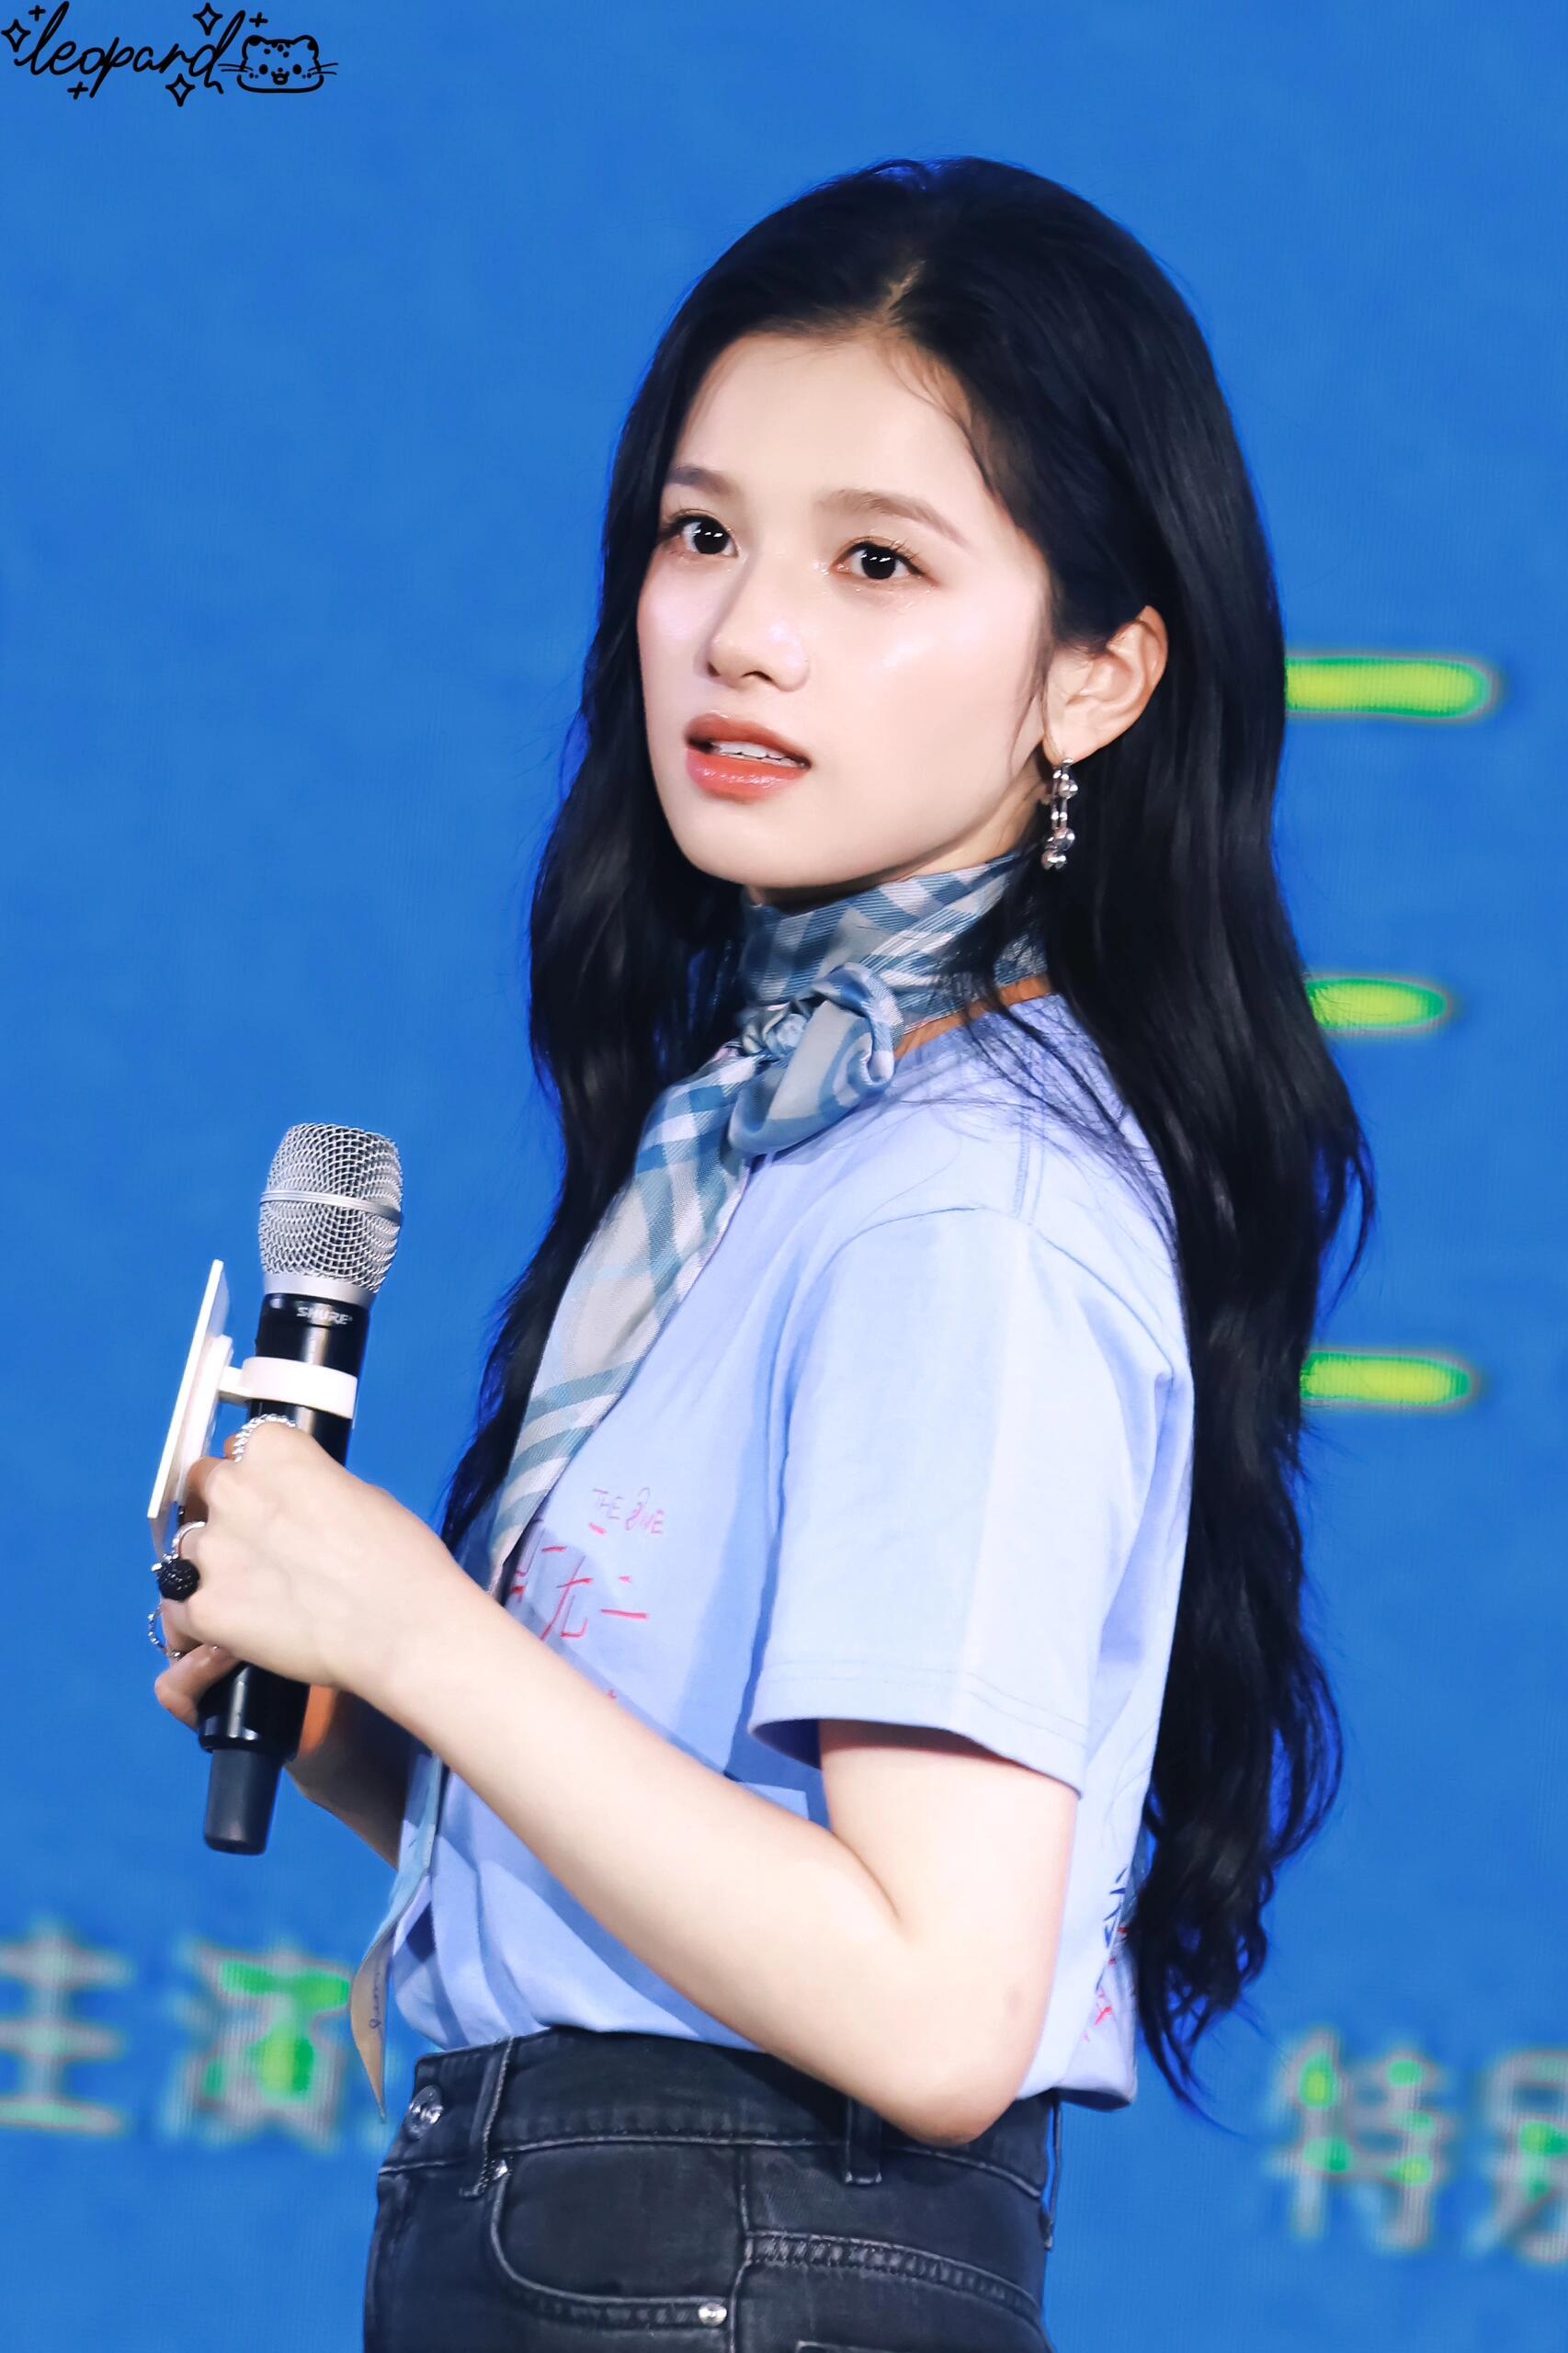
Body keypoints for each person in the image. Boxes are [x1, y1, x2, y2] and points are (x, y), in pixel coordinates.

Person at [151, 154, 1377, 2351]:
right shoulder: (775, 1131)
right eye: (699, 533)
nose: (744, 632)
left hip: (721, 2274)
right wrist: (358, 1717)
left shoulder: (962, 1199)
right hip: (622, 2243)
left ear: (1095, 676)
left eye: (876, 560)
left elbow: (929, 2003)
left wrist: (423, 1624)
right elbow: (711, 1915)